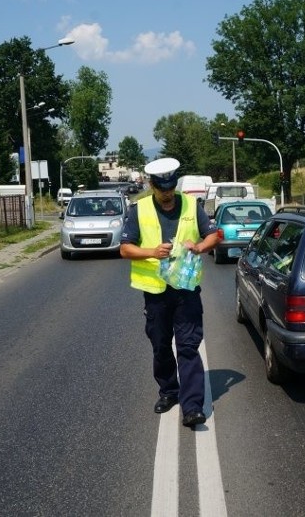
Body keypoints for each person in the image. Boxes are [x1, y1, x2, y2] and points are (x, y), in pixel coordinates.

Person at [120, 158, 219, 428]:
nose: (167, 192)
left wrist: (199, 247)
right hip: (156, 292)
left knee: (188, 347)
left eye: (171, 186)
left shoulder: (191, 204)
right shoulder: (137, 210)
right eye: (162, 187)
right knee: (161, 346)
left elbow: (213, 236)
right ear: (152, 185)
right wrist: (152, 252)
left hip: (186, 289)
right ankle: (169, 391)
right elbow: (125, 249)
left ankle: (192, 407)